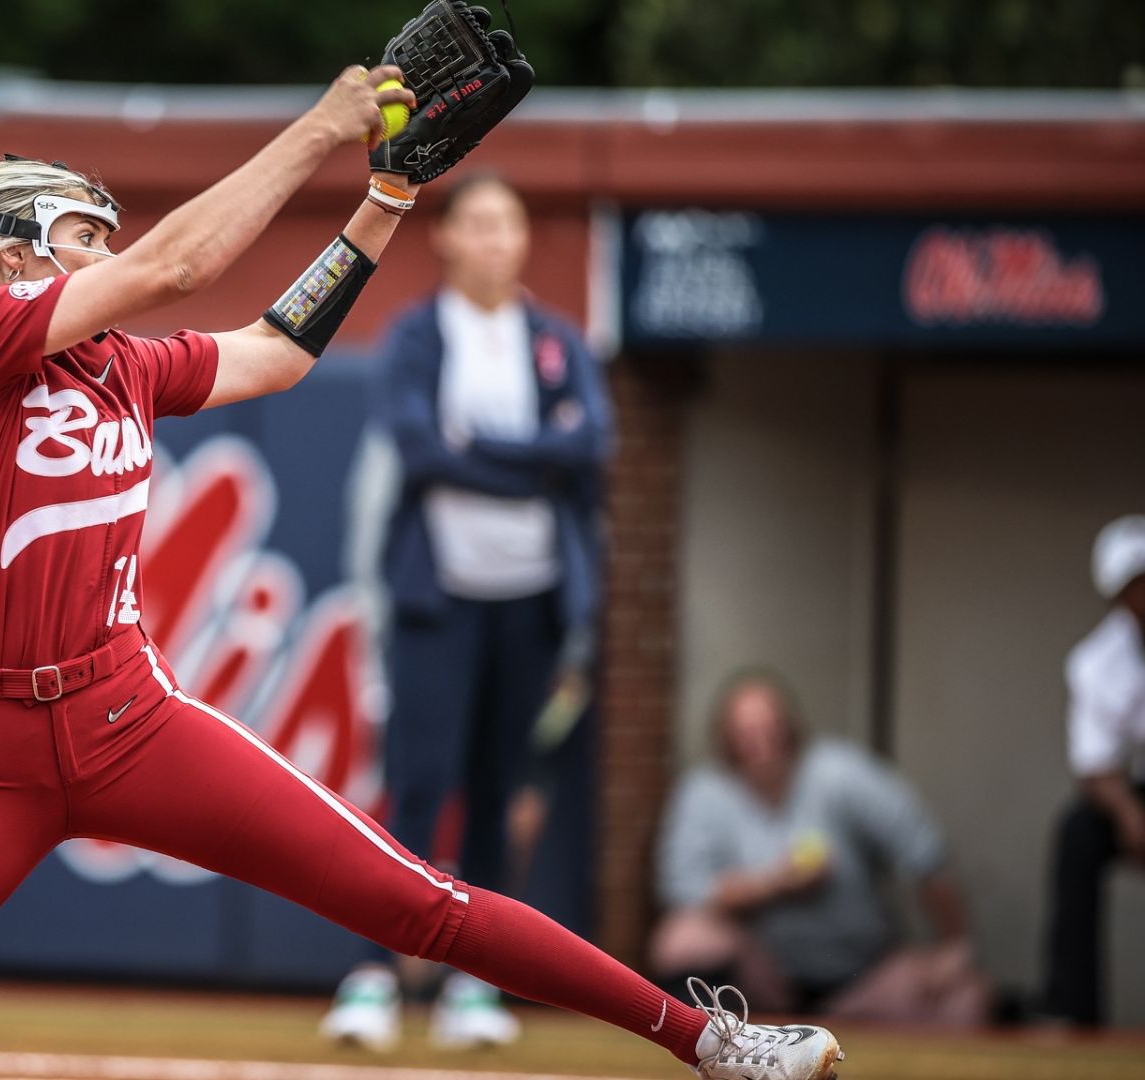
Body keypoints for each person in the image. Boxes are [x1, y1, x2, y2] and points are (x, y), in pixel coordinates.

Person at [0, 56, 843, 1080]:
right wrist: (321, 126)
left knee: (423, 901)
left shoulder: (121, 368)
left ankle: (714, 1043)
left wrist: (385, 199)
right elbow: (178, 265)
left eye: (106, 237)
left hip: (125, 716)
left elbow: (275, 350)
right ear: (15, 256)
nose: (106, 253)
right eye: (83, 236)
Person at [322, 172, 611, 1051]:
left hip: (531, 601)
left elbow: (591, 443)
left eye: (509, 226)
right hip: (434, 600)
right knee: (417, 786)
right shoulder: (414, 337)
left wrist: (476, 446)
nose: (494, 241)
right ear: (445, 237)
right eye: (478, 224)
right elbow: (417, 450)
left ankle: (475, 988)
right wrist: (532, 458)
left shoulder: (557, 340)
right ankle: (375, 975)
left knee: (495, 799)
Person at [651, 671, 992, 1027]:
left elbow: (925, 851)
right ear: (725, 740)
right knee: (681, 937)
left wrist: (955, 947)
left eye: (770, 729)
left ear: (791, 728)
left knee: (968, 996)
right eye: (744, 734)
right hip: (764, 981)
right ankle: (706, 1051)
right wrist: (776, 885)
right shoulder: (705, 792)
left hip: (864, 980)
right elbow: (682, 890)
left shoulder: (841, 773)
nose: (760, 744)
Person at [1040, 514, 1145, 1027]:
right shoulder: (1098, 661)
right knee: (1079, 832)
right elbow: (1095, 763)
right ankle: (1072, 1013)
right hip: (1137, 787)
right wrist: (1130, 816)